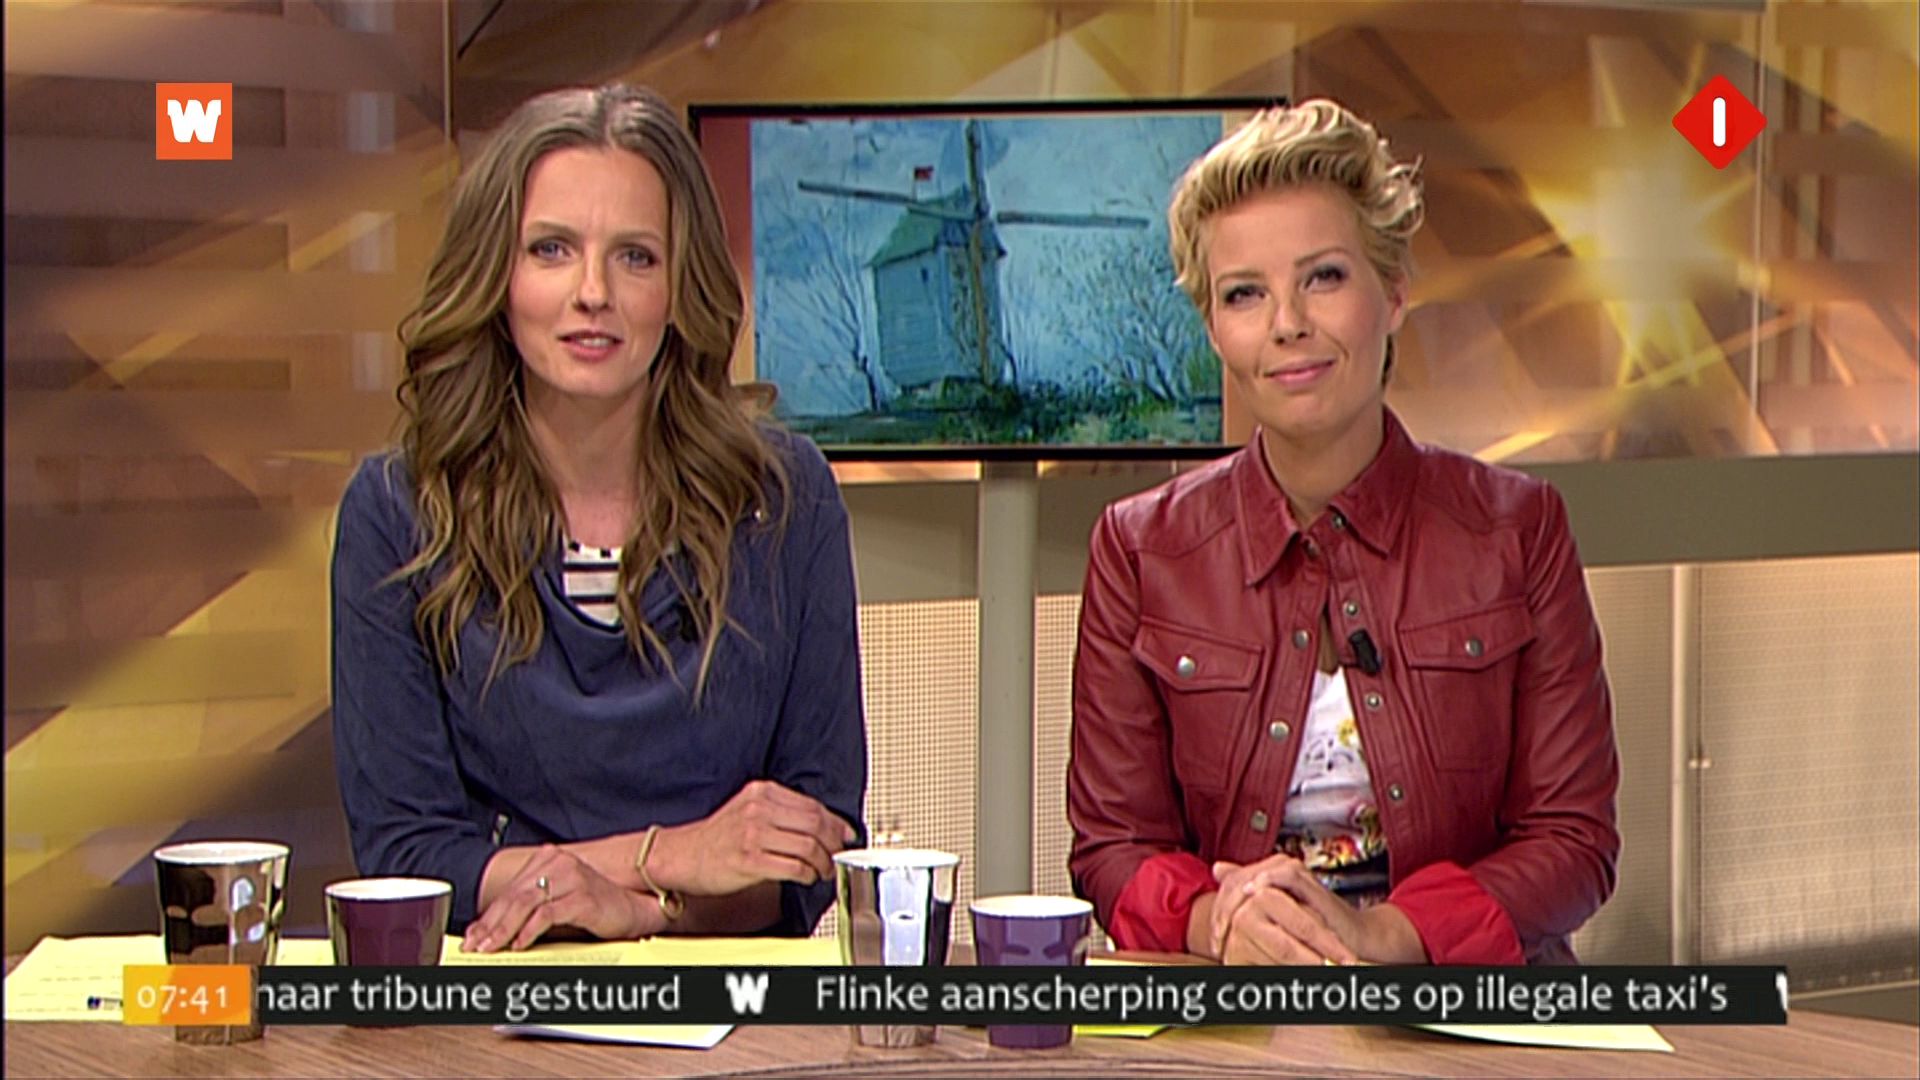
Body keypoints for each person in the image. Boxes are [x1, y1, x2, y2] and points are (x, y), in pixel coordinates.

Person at [1067, 99, 1618, 966]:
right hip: (1234, 999)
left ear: (1393, 293)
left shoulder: (1518, 531)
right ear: (1214, 328)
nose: (1287, 323)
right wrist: (1222, 922)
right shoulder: (1140, 550)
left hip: (1458, 1006)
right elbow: (1112, 847)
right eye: (1245, 294)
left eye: (1323, 277)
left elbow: (1573, 840)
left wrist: (1385, 936)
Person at [331, 83, 866, 951]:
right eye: (551, 249)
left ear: (680, 285)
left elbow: (816, 845)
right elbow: (406, 855)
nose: (593, 292)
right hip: (493, 992)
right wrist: (672, 856)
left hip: (725, 995)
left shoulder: (784, 500)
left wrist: (645, 911)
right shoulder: (399, 513)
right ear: (497, 276)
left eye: (635, 257)